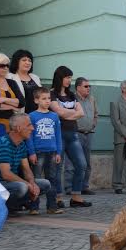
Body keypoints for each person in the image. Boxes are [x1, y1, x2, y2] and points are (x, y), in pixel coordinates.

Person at [0, 113, 51, 216]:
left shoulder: (21, 144)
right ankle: (4, 208)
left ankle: (14, 206)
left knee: (45, 184)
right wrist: (28, 185)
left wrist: (32, 183)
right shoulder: (3, 143)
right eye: (29, 125)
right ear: (18, 128)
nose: (32, 128)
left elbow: (26, 169)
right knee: (22, 187)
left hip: (8, 183)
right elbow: (6, 174)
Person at [49, 66, 91, 207]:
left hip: (73, 133)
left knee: (81, 164)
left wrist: (67, 113)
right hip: (58, 133)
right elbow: (59, 112)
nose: (69, 80)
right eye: (67, 77)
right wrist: (72, 113)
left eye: (70, 78)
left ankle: (76, 197)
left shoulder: (72, 95)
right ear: (59, 77)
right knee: (58, 167)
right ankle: (58, 198)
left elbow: (82, 113)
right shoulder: (52, 94)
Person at [25, 88, 64, 214]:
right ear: (36, 100)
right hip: (38, 152)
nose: (47, 101)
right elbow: (29, 136)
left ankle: (52, 206)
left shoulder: (54, 116)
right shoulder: (32, 116)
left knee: (52, 179)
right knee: (35, 179)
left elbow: (58, 135)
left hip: (52, 152)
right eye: (44, 98)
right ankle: (34, 206)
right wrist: (31, 152)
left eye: (49, 98)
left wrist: (58, 152)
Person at [72, 77, 97, 194]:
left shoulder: (91, 99)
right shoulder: (72, 98)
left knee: (87, 162)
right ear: (78, 87)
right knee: (73, 162)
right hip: (77, 133)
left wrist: (93, 124)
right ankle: (69, 187)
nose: (88, 88)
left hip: (89, 133)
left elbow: (96, 114)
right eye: (86, 86)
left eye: (89, 86)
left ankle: (84, 186)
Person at [8, 49, 41, 113]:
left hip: (37, 115)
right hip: (19, 114)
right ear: (16, 62)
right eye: (24, 60)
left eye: (30, 60)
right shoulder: (9, 77)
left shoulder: (35, 77)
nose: (27, 63)